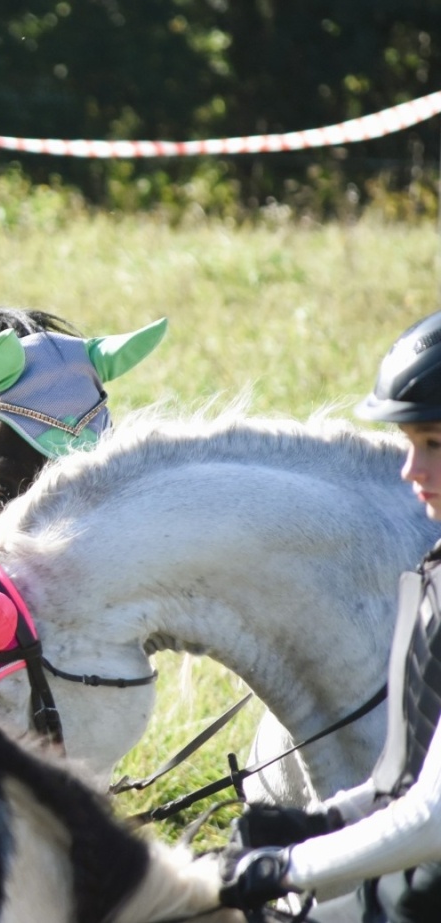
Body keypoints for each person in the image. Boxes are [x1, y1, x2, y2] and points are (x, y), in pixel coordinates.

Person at [222, 309, 441, 920]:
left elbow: (433, 819)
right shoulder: (434, 571)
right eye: (410, 443)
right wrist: (319, 821)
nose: (411, 471)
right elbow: (406, 784)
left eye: (434, 445)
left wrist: (286, 867)